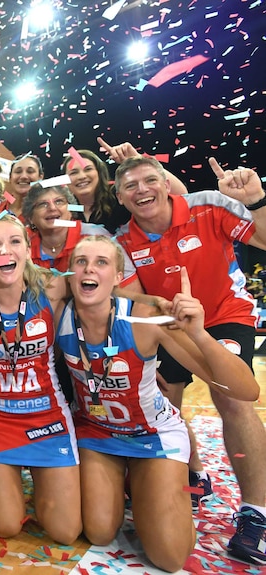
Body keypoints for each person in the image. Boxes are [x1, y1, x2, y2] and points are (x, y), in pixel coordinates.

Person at [57, 235, 260, 572]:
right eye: (81, 261)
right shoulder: (59, 314)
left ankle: (156, 483)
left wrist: (198, 333)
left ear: (118, 277)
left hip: (152, 435)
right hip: (96, 433)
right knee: (100, 530)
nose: (89, 269)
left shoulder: (146, 317)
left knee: (168, 556)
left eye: (101, 262)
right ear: (69, 273)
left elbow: (245, 389)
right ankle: (137, 484)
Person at [113, 155, 266, 564]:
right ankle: (191, 475)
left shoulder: (210, 204)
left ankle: (258, 515)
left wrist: (255, 201)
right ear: (120, 196)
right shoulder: (121, 242)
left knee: (233, 400)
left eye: (149, 180)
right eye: (131, 186)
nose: (142, 190)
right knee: (162, 400)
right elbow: (132, 298)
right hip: (172, 324)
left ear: (166, 184)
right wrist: (159, 309)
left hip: (224, 316)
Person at [0, 215, 80, 545]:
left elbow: (109, 287)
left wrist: (154, 304)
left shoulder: (52, 287)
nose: (5, 251)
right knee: (7, 525)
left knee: (66, 532)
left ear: (27, 250)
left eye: (14, 242)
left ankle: (26, 482)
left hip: (47, 414)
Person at [22, 183, 139, 288]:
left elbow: (131, 289)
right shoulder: (23, 245)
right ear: (31, 217)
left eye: (59, 201)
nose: (52, 208)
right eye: (42, 204)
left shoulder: (96, 236)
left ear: (71, 210)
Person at [62, 138, 187, 234]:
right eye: (73, 172)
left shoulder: (120, 194)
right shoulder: (65, 208)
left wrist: (137, 159)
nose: (82, 176)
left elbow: (181, 194)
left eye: (88, 169)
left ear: (99, 173)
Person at [0, 154, 44, 222]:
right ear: (10, 177)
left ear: (40, 177)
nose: (23, 176)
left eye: (30, 171)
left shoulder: (46, 212)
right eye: (18, 172)